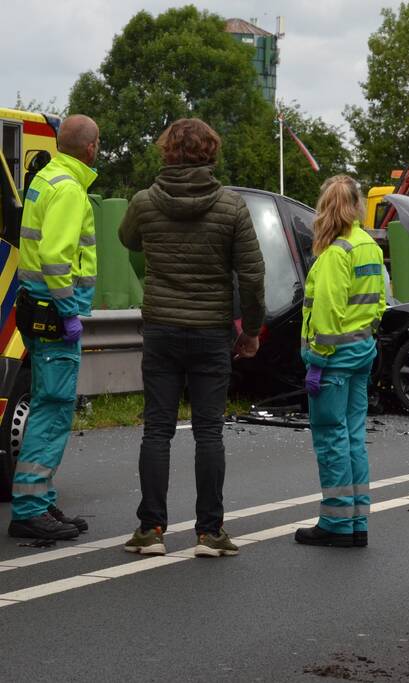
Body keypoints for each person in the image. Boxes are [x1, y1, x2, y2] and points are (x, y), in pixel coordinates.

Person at [119, 118, 265, 557]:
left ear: (167, 151)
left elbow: (127, 238)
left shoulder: (145, 202)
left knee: (157, 431)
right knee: (208, 432)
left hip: (162, 328)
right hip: (210, 332)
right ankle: (209, 533)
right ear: (211, 152)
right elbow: (254, 276)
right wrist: (252, 331)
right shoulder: (232, 206)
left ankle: (150, 530)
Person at [8, 115, 100, 541]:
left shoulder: (46, 178)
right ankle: (29, 508)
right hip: (53, 312)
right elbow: (57, 259)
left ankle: (39, 500)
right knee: (53, 407)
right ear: (91, 147)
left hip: (35, 307)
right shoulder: (69, 190)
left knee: (48, 404)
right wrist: (68, 312)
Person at [295, 175, 386, 548]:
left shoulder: (336, 253)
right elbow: (379, 304)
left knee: (331, 439)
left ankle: (335, 522)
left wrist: (317, 360)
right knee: (352, 438)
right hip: (361, 354)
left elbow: (328, 313)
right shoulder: (370, 247)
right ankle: (356, 520)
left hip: (332, 363)